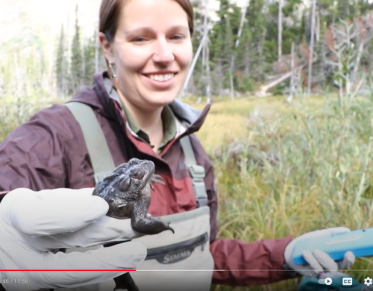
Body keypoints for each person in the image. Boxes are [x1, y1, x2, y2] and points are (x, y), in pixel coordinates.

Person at [0, 0, 356, 290]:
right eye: (141, 38)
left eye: (176, 36)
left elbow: (203, 256)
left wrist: (288, 253)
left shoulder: (193, 152)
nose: (164, 55)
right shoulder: (55, 134)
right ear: (107, 46)